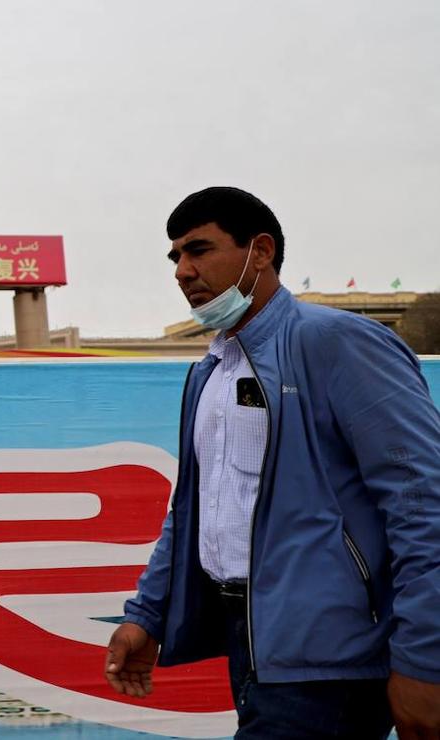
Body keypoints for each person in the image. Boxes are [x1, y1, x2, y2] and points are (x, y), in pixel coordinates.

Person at [104, 187, 440, 739]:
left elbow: (421, 502)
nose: (183, 272)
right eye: (176, 258)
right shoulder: (210, 371)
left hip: (334, 659)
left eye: (199, 250)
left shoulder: (337, 342)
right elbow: (194, 511)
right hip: (254, 645)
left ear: (260, 251)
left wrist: (424, 659)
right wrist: (146, 615)